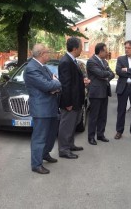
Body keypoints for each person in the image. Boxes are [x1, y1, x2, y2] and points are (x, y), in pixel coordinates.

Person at [24, 44, 61, 174]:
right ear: (41, 54)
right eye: (47, 52)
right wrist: (54, 84)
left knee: (51, 135)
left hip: (50, 106)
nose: (49, 54)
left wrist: (54, 84)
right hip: (41, 109)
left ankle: (45, 154)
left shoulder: (43, 67)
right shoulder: (31, 68)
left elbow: (55, 81)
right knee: (39, 137)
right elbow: (47, 85)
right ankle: (36, 164)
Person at [58, 37, 90, 159]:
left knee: (72, 125)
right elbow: (65, 84)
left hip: (76, 100)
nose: (82, 49)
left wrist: (82, 81)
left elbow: (73, 81)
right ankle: (63, 150)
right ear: (75, 48)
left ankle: (70, 145)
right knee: (66, 126)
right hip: (70, 102)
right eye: (81, 47)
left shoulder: (72, 60)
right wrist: (68, 103)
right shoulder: (66, 61)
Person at [86, 43, 115, 145]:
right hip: (95, 93)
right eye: (105, 51)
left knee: (103, 115)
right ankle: (91, 137)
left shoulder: (104, 61)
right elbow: (100, 73)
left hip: (104, 91)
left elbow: (112, 73)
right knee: (94, 116)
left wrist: (106, 75)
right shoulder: (91, 61)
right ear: (101, 51)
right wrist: (106, 73)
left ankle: (100, 134)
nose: (107, 53)